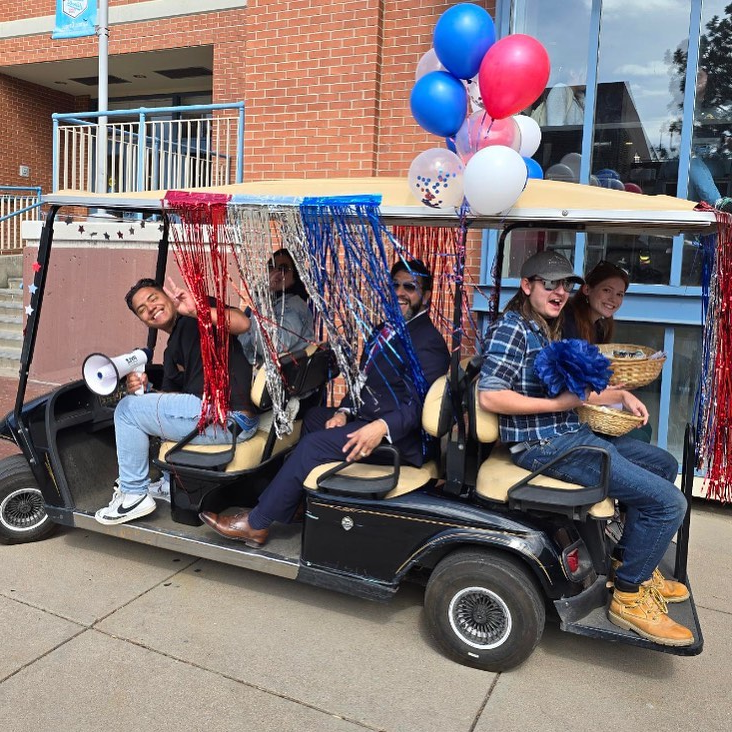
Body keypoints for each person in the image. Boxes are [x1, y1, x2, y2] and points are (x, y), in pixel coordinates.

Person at [478, 250, 693, 646]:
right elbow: (490, 396)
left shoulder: (545, 328)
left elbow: (575, 393)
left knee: (663, 465)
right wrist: (558, 405)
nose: (560, 291)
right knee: (670, 504)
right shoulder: (512, 330)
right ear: (527, 286)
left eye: (565, 285)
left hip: (569, 435)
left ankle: (629, 562)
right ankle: (628, 597)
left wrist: (618, 395)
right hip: (544, 445)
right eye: (550, 284)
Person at [199, 259, 451, 546]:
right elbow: (363, 380)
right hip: (372, 419)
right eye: (395, 285)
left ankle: (257, 523)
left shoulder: (427, 341)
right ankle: (298, 502)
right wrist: (344, 411)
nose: (400, 293)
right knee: (316, 418)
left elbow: (417, 406)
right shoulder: (387, 328)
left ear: (427, 295)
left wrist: (379, 427)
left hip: (398, 440)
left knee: (313, 446)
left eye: (410, 287)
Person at [95, 277, 259, 526]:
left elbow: (243, 323)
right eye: (142, 309)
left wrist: (198, 311)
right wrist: (146, 390)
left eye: (153, 298)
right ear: (143, 320)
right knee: (136, 407)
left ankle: (133, 494)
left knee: (126, 411)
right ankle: (164, 483)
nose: (150, 308)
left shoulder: (201, 312)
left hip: (228, 416)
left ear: (168, 297)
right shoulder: (171, 352)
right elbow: (174, 404)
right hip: (214, 417)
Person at [238, 248, 315, 365]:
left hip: (275, 378)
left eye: (283, 269)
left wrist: (264, 294)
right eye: (271, 267)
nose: (276, 273)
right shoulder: (266, 302)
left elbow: (272, 346)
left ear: (295, 274)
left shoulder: (295, 306)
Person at [563, 260, 629, 343]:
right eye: (607, 290)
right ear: (587, 289)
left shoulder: (600, 327)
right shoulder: (567, 319)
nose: (613, 299)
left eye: (619, 294)